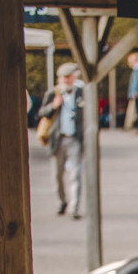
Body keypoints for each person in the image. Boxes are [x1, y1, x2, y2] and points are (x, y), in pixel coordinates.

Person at [38, 62, 84, 219]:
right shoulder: (54, 93)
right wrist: (53, 105)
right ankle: (62, 201)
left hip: (75, 139)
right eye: (63, 77)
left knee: (75, 174)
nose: (66, 80)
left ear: (74, 77)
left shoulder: (82, 92)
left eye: (68, 77)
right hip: (58, 138)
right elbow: (42, 113)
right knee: (57, 175)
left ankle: (74, 206)